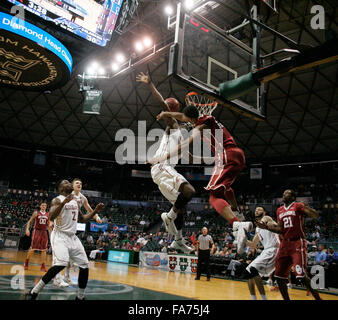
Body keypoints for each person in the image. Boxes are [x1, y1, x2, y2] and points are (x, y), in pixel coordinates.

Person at [152, 104, 253, 253]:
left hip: (225, 155)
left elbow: (187, 142)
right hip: (238, 155)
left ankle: (237, 224)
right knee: (226, 189)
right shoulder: (208, 119)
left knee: (213, 197)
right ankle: (237, 213)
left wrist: (165, 156)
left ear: (191, 118)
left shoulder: (199, 126)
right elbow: (181, 116)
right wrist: (166, 112)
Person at [136, 72, 195, 254]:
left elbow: (189, 156)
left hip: (162, 171)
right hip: (163, 168)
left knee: (182, 207)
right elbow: (162, 103)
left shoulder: (181, 136)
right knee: (189, 191)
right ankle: (168, 217)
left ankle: (177, 240)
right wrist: (150, 83)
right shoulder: (173, 125)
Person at [24, 179, 104, 300]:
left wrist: (95, 212)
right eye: (65, 183)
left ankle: (80, 296)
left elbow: (82, 219)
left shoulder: (75, 201)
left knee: (84, 265)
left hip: (72, 236)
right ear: (61, 189)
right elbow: (51, 216)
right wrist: (63, 204)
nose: (68, 183)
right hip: (60, 236)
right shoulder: (57, 200)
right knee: (61, 264)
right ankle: (34, 292)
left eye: (69, 182)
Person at [256, 189, 321, 300]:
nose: (284, 194)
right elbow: (280, 229)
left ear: (292, 197)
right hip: (285, 244)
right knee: (279, 276)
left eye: (287, 193)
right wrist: (267, 227)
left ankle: (318, 299)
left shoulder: (297, 206)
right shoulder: (279, 210)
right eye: (283, 193)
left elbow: (315, 215)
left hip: (297, 242)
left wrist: (307, 208)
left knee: (300, 274)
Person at [245, 206, 280, 300]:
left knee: (252, 269)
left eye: (259, 209)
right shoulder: (257, 229)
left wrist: (269, 226)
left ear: (264, 212)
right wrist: (242, 238)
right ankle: (253, 298)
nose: (257, 210)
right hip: (266, 251)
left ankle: (264, 298)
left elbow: (277, 227)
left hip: (273, 249)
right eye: (256, 209)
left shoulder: (267, 218)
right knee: (248, 272)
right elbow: (253, 245)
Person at [24, 202, 49, 272]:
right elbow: (29, 221)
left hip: (44, 232)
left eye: (45, 205)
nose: (44, 206)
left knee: (44, 250)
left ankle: (43, 266)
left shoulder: (48, 214)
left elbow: (49, 224)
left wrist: (52, 233)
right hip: (36, 231)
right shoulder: (36, 213)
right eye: (43, 205)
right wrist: (27, 229)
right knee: (32, 248)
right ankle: (26, 262)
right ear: (40, 206)